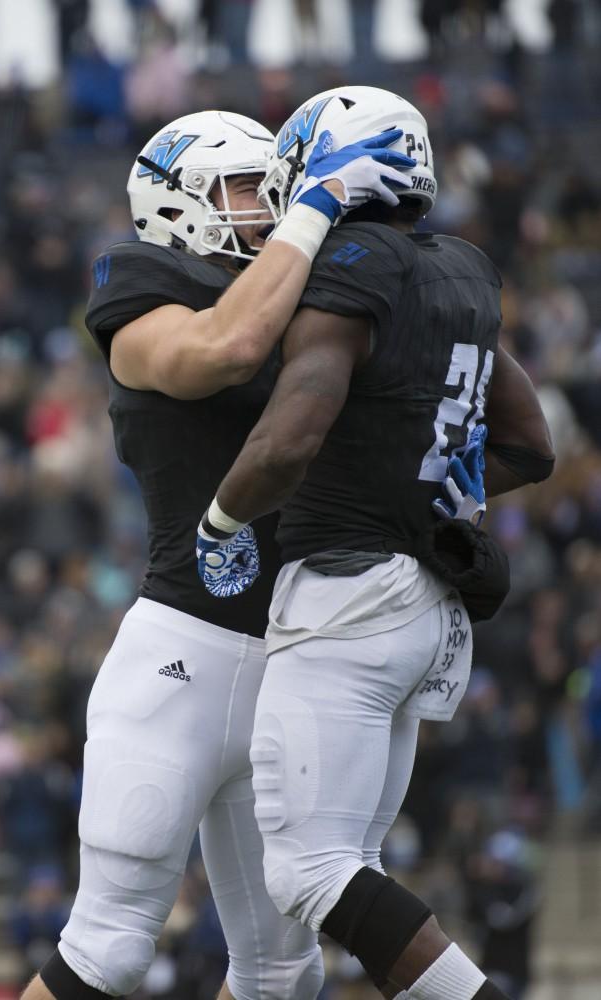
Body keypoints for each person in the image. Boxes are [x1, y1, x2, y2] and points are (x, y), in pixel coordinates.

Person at [21, 107, 417, 1000]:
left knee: (282, 971)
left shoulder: (311, 294)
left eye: (277, 187)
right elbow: (227, 348)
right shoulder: (144, 284)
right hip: (183, 655)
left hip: (297, 657)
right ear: (175, 202)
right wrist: (318, 211)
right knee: (111, 947)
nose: (273, 207)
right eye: (249, 188)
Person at [195, 87, 555, 1000]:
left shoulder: (351, 266)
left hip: (349, 597)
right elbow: (530, 446)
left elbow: (288, 439)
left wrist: (221, 522)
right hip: (424, 604)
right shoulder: (462, 268)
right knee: (342, 865)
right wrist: (428, 491)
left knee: (309, 873)